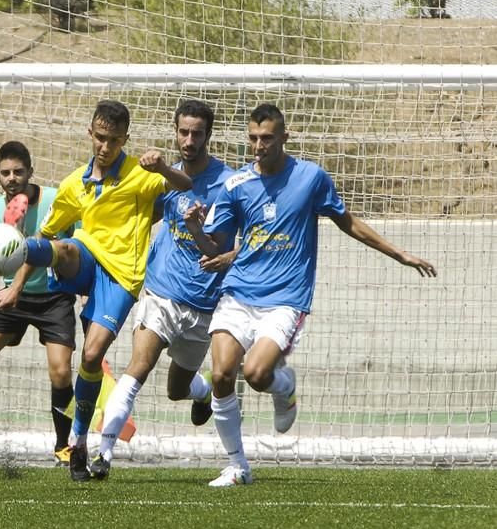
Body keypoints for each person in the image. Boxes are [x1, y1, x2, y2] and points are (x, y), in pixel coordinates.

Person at [184, 103, 437, 487]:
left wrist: (399, 253)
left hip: (286, 297)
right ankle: (237, 466)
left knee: (255, 373)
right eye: (252, 138)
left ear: (285, 137)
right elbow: (214, 244)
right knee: (220, 375)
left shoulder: (310, 178)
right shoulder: (236, 185)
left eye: (266, 138)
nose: (258, 146)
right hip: (238, 292)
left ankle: (284, 388)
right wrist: (196, 230)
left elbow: (347, 221)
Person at [0, 100, 192, 482]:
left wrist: (164, 166)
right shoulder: (74, 184)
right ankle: (8, 245)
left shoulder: (140, 173)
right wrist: (17, 283)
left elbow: (186, 184)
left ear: (125, 140)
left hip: (121, 277)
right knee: (64, 246)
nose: (105, 147)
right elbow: (48, 233)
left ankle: (79, 441)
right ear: (90, 134)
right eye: (100, 138)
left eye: (114, 141)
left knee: (91, 354)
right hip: (84, 258)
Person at [89, 99, 237, 480]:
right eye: (183, 131)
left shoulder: (229, 183)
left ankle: (201, 391)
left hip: (204, 302)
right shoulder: (160, 179)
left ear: (209, 135)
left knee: (176, 388)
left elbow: (239, 243)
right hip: (161, 292)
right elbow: (137, 215)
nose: (189, 139)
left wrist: (221, 250)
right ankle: (103, 452)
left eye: (197, 133)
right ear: (175, 132)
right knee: (138, 367)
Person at [0, 140, 77, 467]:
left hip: (54, 298)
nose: (12, 178)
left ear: (30, 171)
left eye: (18, 171)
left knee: (61, 371)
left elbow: (75, 244)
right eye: (5, 173)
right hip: (11, 297)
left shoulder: (57, 202)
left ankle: (62, 445)